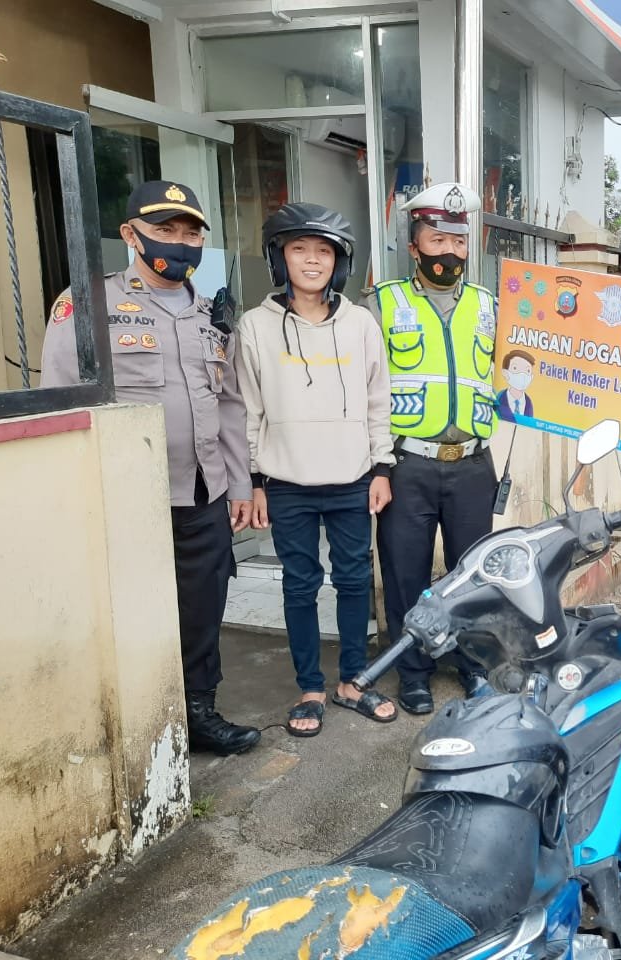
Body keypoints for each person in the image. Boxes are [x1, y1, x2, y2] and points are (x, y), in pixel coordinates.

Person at [40, 181, 259, 755]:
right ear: (130, 235)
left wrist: (239, 483)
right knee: (128, 613)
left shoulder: (213, 314)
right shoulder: (88, 303)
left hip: (203, 492)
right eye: (165, 231)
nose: (180, 243)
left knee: (203, 606)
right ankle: (136, 725)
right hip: (124, 495)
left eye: (191, 234)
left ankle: (197, 712)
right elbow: (62, 401)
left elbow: (229, 405)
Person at [236, 203, 397, 738]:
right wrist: (255, 480)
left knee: (353, 580)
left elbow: (380, 400)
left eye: (324, 251)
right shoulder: (255, 327)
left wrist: (381, 466)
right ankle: (310, 687)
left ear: (339, 263)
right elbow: (248, 408)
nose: (311, 260)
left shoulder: (360, 324)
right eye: (299, 249)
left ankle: (353, 678)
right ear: (279, 258)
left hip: (352, 478)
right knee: (300, 584)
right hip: (287, 485)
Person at [368, 181, 499, 714]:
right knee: (406, 573)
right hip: (408, 464)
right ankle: (415, 670)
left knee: (473, 573)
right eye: (437, 238)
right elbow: (366, 391)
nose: (450, 250)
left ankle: (472, 664)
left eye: (459, 241)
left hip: (471, 464)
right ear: (414, 243)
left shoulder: (488, 305)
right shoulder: (381, 304)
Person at [497, 348, 535, 422]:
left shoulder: (529, 403)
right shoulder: (499, 398)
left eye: (528, 371)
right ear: (505, 373)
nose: (522, 374)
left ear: (531, 377)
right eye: (515, 368)